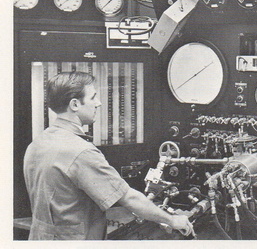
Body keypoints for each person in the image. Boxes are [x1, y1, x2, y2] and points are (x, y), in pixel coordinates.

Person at [23, 72, 192, 240]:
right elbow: (129, 198)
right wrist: (172, 220)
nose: (99, 103)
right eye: (93, 98)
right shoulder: (82, 152)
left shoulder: (37, 144)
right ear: (75, 104)